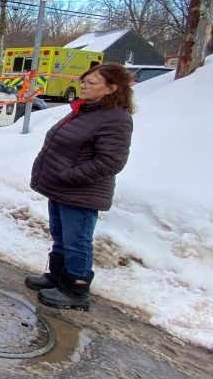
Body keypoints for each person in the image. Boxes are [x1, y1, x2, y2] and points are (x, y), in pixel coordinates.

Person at [28, 62, 135, 311]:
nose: (84, 86)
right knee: (61, 235)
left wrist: (69, 175)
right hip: (62, 186)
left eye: (91, 83)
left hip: (81, 191)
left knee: (77, 240)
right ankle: (58, 277)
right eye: (83, 81)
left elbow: (111, 161)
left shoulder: (116, 118)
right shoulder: (88, 109)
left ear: (111, 88)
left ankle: (76, 289)